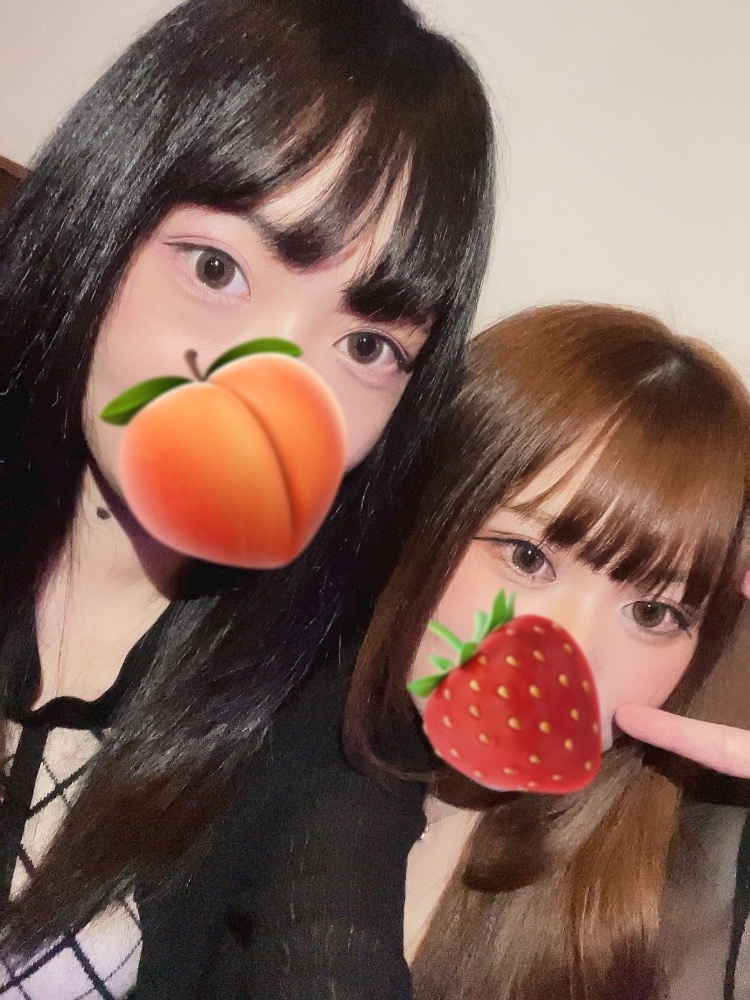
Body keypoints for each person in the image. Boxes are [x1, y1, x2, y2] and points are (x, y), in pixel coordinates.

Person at [0, 1, 496, 996]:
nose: (270, 386)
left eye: (367, 345)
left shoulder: (323, 703)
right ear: (101, 218)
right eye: (216, 268)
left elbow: (333, 939)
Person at [345, 303, 749, 999]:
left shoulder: (697, 901)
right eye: (528, 558)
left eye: (652, 613)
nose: (575, 649)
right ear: (421, 520)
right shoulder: (246, 746)